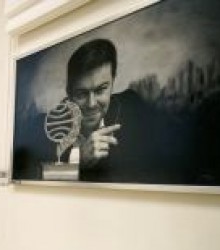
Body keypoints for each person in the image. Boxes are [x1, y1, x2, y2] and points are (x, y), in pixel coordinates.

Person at [64, 38, 191, 183]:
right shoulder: (45, 125)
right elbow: (40, 174)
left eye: (101, 90)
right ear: (69, 92)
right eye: (81, 93)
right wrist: (78, 160)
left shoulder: (134, 107)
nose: (92, 104)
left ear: (113, 82)